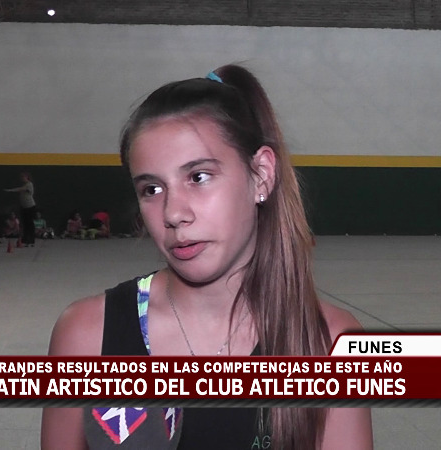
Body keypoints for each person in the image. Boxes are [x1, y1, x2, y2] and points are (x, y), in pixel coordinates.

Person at [42, 65, 373, 449]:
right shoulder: (86, 335)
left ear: (262, 175)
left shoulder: (331, 344)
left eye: (198, 177)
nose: (173, 213)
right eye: (152, 189)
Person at [4, 172, 36, 247]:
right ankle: (25, 239)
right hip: (24, 207)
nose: (22, 178)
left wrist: (11, 190)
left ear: (27, 177)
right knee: (25, 223)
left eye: (23, 177)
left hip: (30, 207)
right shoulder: (25, 185)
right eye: (21, 177)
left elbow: (21, 189)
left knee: (29, 223)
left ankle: (31, 239)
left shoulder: (29, 184)